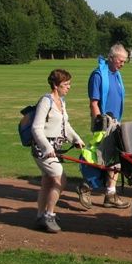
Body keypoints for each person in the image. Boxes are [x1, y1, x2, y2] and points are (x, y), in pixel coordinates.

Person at [31, 69, 85, 233]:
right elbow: (36, 128)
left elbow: (65, 125)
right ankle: (49, 214)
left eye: (69, 84)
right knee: (60, 179)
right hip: (43, 150)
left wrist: (76, 139)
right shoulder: (45, 101)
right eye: (65, 84)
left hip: (54, 148)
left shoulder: (61, 102)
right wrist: (47, 148)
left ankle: (41, 216)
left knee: (47, 182)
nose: (69, 87)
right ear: (55, 85)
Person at [78, 43, 130, 209]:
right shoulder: (98, 75)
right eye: (120, 61)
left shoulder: (116, 74)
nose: (122, 64)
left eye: (124, 61)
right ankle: (85, 187)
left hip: (115, 123)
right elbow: (94, 103)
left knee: (115, 160)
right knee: (99, 158)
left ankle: (110, 194)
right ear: (111, 58)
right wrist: (100, 125)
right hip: (103, 123)